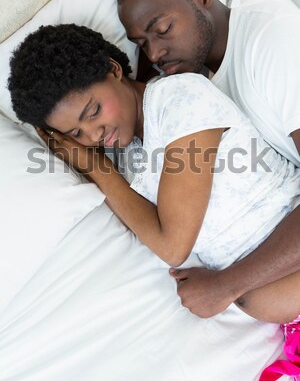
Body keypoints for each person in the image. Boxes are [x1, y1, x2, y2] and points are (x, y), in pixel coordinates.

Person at [7, 24, 300, 329]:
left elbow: (173, 246)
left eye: (93, 112)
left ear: (113, 69)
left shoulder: (179, 100)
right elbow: (148, 229)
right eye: (76, 134)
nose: (94, 134)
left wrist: (97, 169)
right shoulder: (123, 153)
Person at [116, 0, 300, 319]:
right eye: (141, 44)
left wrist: (227, 285)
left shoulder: (273, 42)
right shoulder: (197, 70)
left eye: (163, 29)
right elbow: (155, 99)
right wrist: (192, 3)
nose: (154, 55)